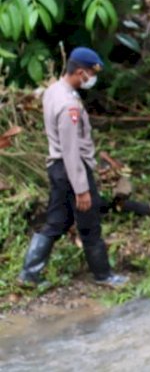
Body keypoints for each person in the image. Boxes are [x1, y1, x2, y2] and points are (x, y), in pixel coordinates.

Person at [18, 47, 128, 288]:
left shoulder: (54, 90)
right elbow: (70, 149)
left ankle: (28, 274)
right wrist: (82, 188)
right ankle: (104, 276)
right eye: (90, 73)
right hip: (71, 170)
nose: (91, 79)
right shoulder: (70, 105)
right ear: (80, 72)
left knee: (57, 220)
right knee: (90, 223)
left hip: (58, 168)